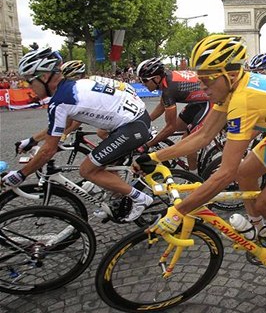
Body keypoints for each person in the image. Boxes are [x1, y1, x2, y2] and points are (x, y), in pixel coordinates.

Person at [134, 34, 266, 283]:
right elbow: (203, 136)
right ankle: (258, 227)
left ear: (230, 75)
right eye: (201, 80)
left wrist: (179, 211)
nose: (202, 88)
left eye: (207, 81)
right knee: (246, 173)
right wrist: (155, 156)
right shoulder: (232, 88)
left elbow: (224, 174)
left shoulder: (243, 101)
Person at [3, 49, 153, 222]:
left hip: (132, 126)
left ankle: (140, 199)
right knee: (105, 166)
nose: (29, 87)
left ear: (43, 77)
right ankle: (119, 201)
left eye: (30, 81)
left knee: (87, 170)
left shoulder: (60, 101)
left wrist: (20, 175)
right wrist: (31, 140)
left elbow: (48, 151)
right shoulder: (72, 86)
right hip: (134, 122)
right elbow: (63, 126)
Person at [136, 58, 211, 173]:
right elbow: (162, 106)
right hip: (198, 102)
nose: (142, 84)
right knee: (178, 127)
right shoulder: (166, 79)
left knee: (187, 141)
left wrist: (148, 145)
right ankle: (203, 147)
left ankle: (194, 176)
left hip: (209, 101)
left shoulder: (169, 89)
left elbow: (169, 128)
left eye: (144, 81)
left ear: (156, 78)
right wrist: (145, 121)